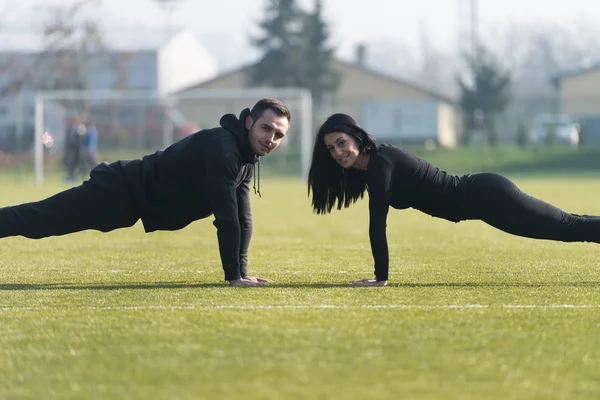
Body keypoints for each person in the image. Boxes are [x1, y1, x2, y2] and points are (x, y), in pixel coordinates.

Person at [0, 98, 291, 286]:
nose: (271, 139)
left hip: (128, 203)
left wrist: (240, 273)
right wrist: (234, 278)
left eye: (278, 134)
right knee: (40, 220)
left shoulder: (245, 159)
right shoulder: (224, 149)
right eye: (266, 129)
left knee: (41, 221)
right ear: (249, 122)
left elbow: (243, 219)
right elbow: (226, 218)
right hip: (118, 189)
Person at [307, 113, 600, 287]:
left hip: (489, 194)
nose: (338, 152)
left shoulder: (382, 162)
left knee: (566, 225)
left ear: (357, 138)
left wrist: (380, 277)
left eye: (341, 143)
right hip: (485, 208)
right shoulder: (368, 171)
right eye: (331, 149)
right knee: (562, 231)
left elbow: (377, 223)